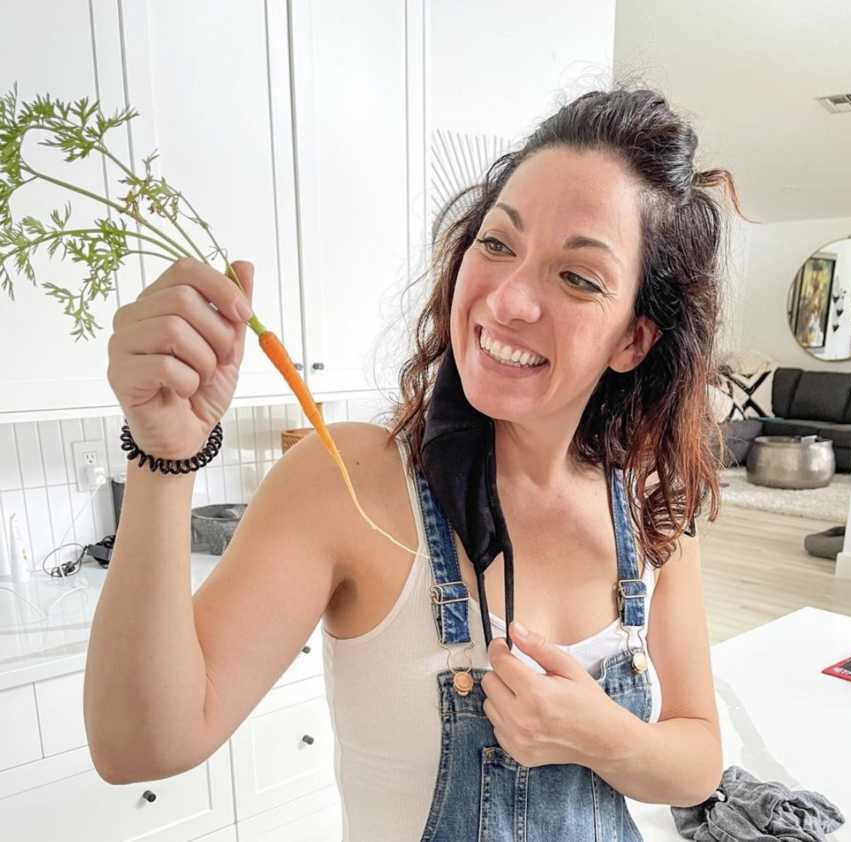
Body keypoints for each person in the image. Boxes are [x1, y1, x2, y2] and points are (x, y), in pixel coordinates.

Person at [84, 85, 747, 840]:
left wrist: (603, 736)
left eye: (577, 277)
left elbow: (699, 755)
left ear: (634, 340)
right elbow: (139, 744)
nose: (508, 302)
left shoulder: (648, 502)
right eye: (497, 244)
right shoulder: (351, 482)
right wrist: (162, 456)